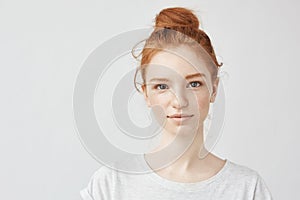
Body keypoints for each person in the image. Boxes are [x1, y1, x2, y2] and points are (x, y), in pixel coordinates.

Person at [80, 7, 273, 200]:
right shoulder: (110, 185)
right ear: (146, 94)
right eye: (162, 86)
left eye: (194, 84)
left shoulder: (246, 189)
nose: (180, 101)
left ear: (213, 89)